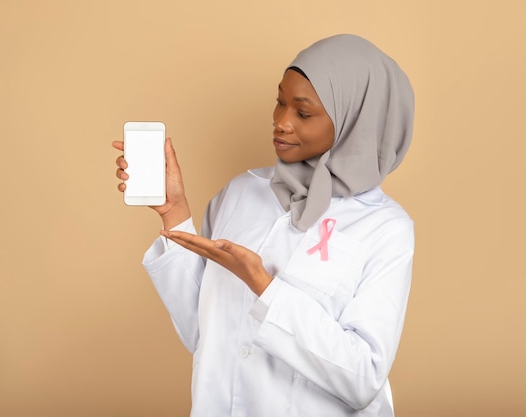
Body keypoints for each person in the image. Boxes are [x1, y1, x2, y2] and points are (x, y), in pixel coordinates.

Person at [113, 34, 415, 417]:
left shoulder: (385, 227)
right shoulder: (241, 192)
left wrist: (263, 286)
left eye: (303, 113)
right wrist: (174, 212)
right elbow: (201, 333)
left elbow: (363, 378)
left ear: (355, 121)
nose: (281, 122)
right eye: (279, 102)